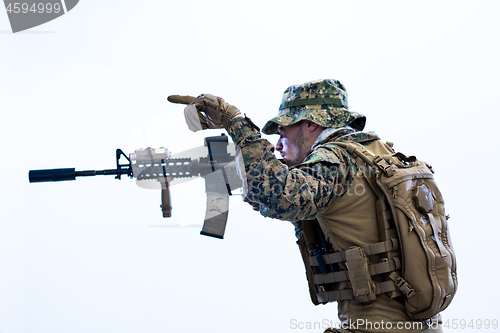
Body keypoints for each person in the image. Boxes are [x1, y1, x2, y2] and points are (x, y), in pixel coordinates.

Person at [168, 79, 443, 333]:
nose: (277, 145)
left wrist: (235, 122)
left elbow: (276, 197)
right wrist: (236, 169)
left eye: (282, 131)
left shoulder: (334, 159)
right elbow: (289, 196)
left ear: (311, 123)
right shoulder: (375, 152)